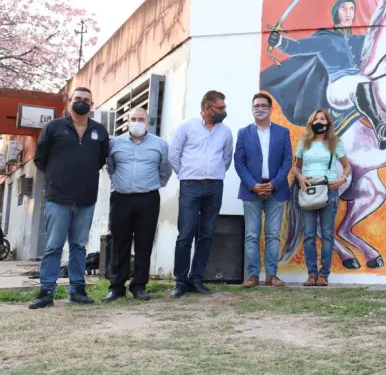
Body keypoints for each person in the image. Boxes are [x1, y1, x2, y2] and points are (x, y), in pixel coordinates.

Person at [263, 0, 386, 150]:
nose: (348, 13)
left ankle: (383, 135)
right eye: (344, 9)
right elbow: (297, 47)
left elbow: (381, 44)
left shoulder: (360, 40)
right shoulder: (326, 39)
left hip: (359, 85)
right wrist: (279, 41)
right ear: (336, 13)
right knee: (360, 82)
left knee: (371, 82)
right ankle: (380, 127)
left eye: (351, 9)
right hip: (337, 89)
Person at [29, 87, 110, 309]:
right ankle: (46, 292)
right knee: (53, 246)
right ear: (70, 101)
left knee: (78, 247)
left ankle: (77, 290)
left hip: (86, 199)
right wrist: (57, 178)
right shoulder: (54, 127)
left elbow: (100, 160)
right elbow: (40, 159)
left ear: (92, 104)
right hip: (58, 198)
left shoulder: (99, 131)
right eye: (78, 98)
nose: (82, 102)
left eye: (86, 100)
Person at [168, 90, 233, 299]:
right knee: (185, 233)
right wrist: (188, 174)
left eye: (224, 107)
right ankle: (180, 281)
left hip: (214, 186)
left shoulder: (225, 132)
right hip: (190, 186)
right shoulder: (187, 127)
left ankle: (196, 279)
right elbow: (174, 155)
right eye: (220, 108)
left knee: (206, 234)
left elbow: (226, 158)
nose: (224, 111)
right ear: (207, 108)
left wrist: (213, 174)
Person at [103, 107, 172, 302]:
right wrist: (121, 183)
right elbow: (110, 167)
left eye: (141, 119)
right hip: (121, 198)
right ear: (127, 122)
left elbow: (165, 169)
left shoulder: (160, 144)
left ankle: (139, 286)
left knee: (144, 242)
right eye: (133, 119)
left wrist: (153, 185)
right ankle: (116, 287)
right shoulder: (114, 143)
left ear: (148, 123)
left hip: (148, 199)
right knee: (119, 243)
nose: (137, 122)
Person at [234, 93, 293, 288]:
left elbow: (287, 161)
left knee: (273, 235)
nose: (259, 109)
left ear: (270, 109)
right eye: (256, 106)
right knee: (251, 234)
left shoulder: (282, 132)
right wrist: (253, 185)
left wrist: (274, 183)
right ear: (252, 109)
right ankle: (252, 275)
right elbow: (239, 162)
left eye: (263, 106)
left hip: (276, 189)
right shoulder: (243, 133)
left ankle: (271, 276)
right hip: (251, 190)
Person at [293, 109, 352, 287]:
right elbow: (296, 166)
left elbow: (347, 166)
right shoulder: (304, 142)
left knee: (327, 235)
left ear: (328, 123)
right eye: (316, 119)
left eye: (322, 119)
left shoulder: (335, 143)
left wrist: (342, 179)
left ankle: (324, 275)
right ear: (311, 123)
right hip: (309, 191)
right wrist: (300, 177)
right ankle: (312, 274)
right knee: (309, 235)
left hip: (329, 191)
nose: (319, 122)